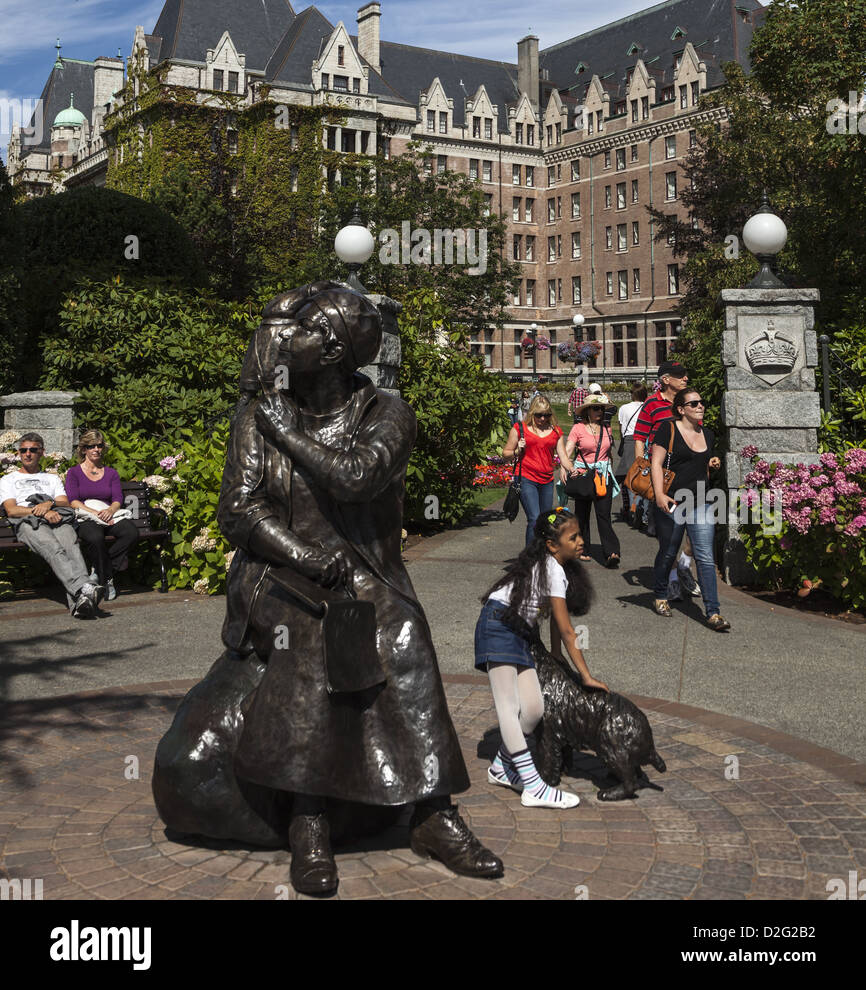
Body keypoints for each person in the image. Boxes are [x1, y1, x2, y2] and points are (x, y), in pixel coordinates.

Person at [153, 280, 502, 896]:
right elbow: (239, 509)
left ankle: (433, 814)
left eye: (308, 330)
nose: (291, 339)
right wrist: (302, 555)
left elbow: (356, 477)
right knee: (312, 633)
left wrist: (287, 432)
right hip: (277, 572)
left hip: (363, 571)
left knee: (401, 629)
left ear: (336, 349)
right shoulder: (258, 410)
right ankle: (308, 821)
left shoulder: (386, 412)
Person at [475, 507, 608, 807]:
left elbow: (551, 625)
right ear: (552, 544)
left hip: (519, 631)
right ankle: (533, 786)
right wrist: (585, 676)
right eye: (572, 537)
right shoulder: (552, 570)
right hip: (497, 625)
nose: (580, 541)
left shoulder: (552, 567)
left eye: (579, 535)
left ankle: (500, 768)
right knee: (509, 708)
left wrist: (557, 658)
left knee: (534, 709)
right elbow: (566, 629)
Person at [650, 389, 730, 632]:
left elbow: (698, 464)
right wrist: (660, 494)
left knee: (705, 557)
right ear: (681, 409)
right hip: (673, 501)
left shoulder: (707, 433)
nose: (700, 406)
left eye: (701, 402)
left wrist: (711, 462)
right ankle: (661, 594)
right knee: (668, 551)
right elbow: (656, 463)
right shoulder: (668, 429)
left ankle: (713, 612)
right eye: (693, 403)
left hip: (701, 502)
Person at [0, 434, 99, 618]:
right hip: (28, 521)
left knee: (71, 546)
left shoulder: (51, 479)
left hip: (55, 517)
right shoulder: (8, 480)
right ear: (19, 453)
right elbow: (12, 510)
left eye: (33, 450)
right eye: (23, 450)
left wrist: (49, 505)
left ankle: (80, 604)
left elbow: (64, 503)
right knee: (53, 548)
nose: (27, 454)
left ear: (42, 453)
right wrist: (43, 511)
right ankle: (84, 589)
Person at [633, 361, 698, 594]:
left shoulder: (690, 401)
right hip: (665, 476)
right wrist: (643, 469)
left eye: (685, 375)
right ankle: (671, 578)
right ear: (665, 380)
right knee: (669, 534)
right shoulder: (652, 404)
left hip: (691, 473)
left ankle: (683, 565)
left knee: (696, 529)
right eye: (680, 376)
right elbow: (639, 437)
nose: (685, 379)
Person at [64, 430, 138, 603]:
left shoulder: (111, 473)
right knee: (95, 538)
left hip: (108, 514)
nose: (96, 449)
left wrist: (110, 511)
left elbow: (118, 498)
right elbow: (73, 500)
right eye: (91, 446)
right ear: (83, 450)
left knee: (131, 533)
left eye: (99, 445)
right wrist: (94, 513)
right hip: (87, 516)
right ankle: (107, 580)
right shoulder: (74, 473)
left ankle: (100, 569)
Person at [502, 396, 574, 547]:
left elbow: (563, 456)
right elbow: (506, 454)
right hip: (526, 478)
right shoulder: (519, 429)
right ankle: (530, 558)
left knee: (546, 520)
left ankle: (542, 553)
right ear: (532, 413)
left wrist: (573, 469)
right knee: (534, 518)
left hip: (547, 480)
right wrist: (517, 450)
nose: (542, 418)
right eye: (539, 415)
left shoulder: (556, 431)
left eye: (546, 415)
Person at [564, 394, 621, 567]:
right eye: (596, 408)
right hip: (583, 476)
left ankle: (611, 552)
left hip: (603, 476)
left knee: (604, 515)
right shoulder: (578, 429)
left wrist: (609, 469)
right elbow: (567, 450)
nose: (599, 412)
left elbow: (608, 453)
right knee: (582, 515)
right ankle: (583, 549)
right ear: (587, 411)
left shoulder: (607, 429)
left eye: (602, 409)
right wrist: (565, 468)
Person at [616, 383, 648, 528]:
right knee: (644, 477)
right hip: (645, 439)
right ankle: (643, 510)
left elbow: (621, 427)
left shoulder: (624, 408)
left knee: (630, 477)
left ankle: (632, 508)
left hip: (630, 440)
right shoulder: (647, 407)